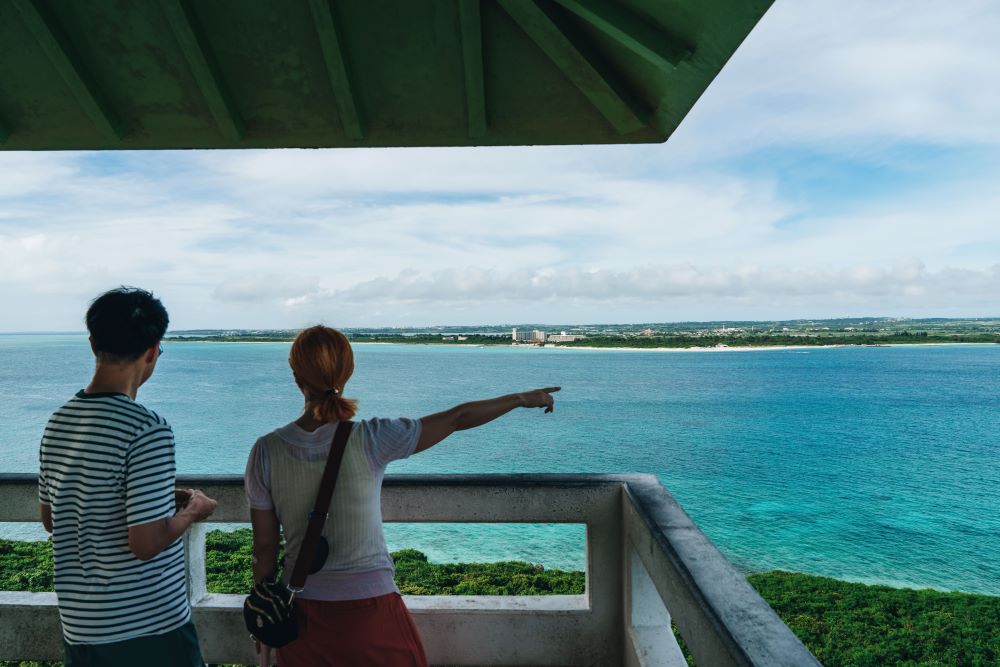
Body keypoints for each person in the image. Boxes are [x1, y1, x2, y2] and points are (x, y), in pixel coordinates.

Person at [246, 325, 559, 666]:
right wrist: (519, 399)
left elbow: (264, 548)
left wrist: (264, 617)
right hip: (371, 610)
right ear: (347, 374)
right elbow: (456, 418)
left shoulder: (266, 451)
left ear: (296, 376)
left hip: (300, 615)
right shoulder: (372, 438)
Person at [38, 287, 218, 667]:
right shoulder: (147, 429)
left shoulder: (58, 422)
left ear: (92, 343)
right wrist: (193, 511)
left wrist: (144, 495)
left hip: (81, 626)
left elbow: (51, 518)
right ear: (152, 350)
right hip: (147, 628)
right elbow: (146, 544)